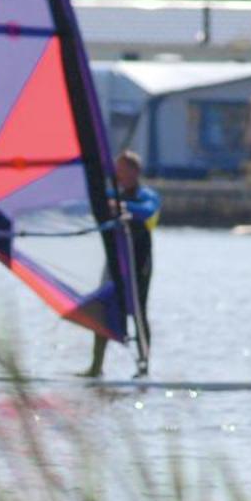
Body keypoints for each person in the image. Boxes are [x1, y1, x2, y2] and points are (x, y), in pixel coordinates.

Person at [82, 150, 160, 378]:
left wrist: (121, 207)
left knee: (138, 310)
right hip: (115, 259)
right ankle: (96, 367)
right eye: (117, 168)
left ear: (135, 171)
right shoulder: (112, 195)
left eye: (123, 168)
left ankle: (143, 364)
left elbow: (147, 211)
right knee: (102, 308)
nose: (118, 173)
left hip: (139, 261)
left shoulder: (147, 195)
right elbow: (90, 200)